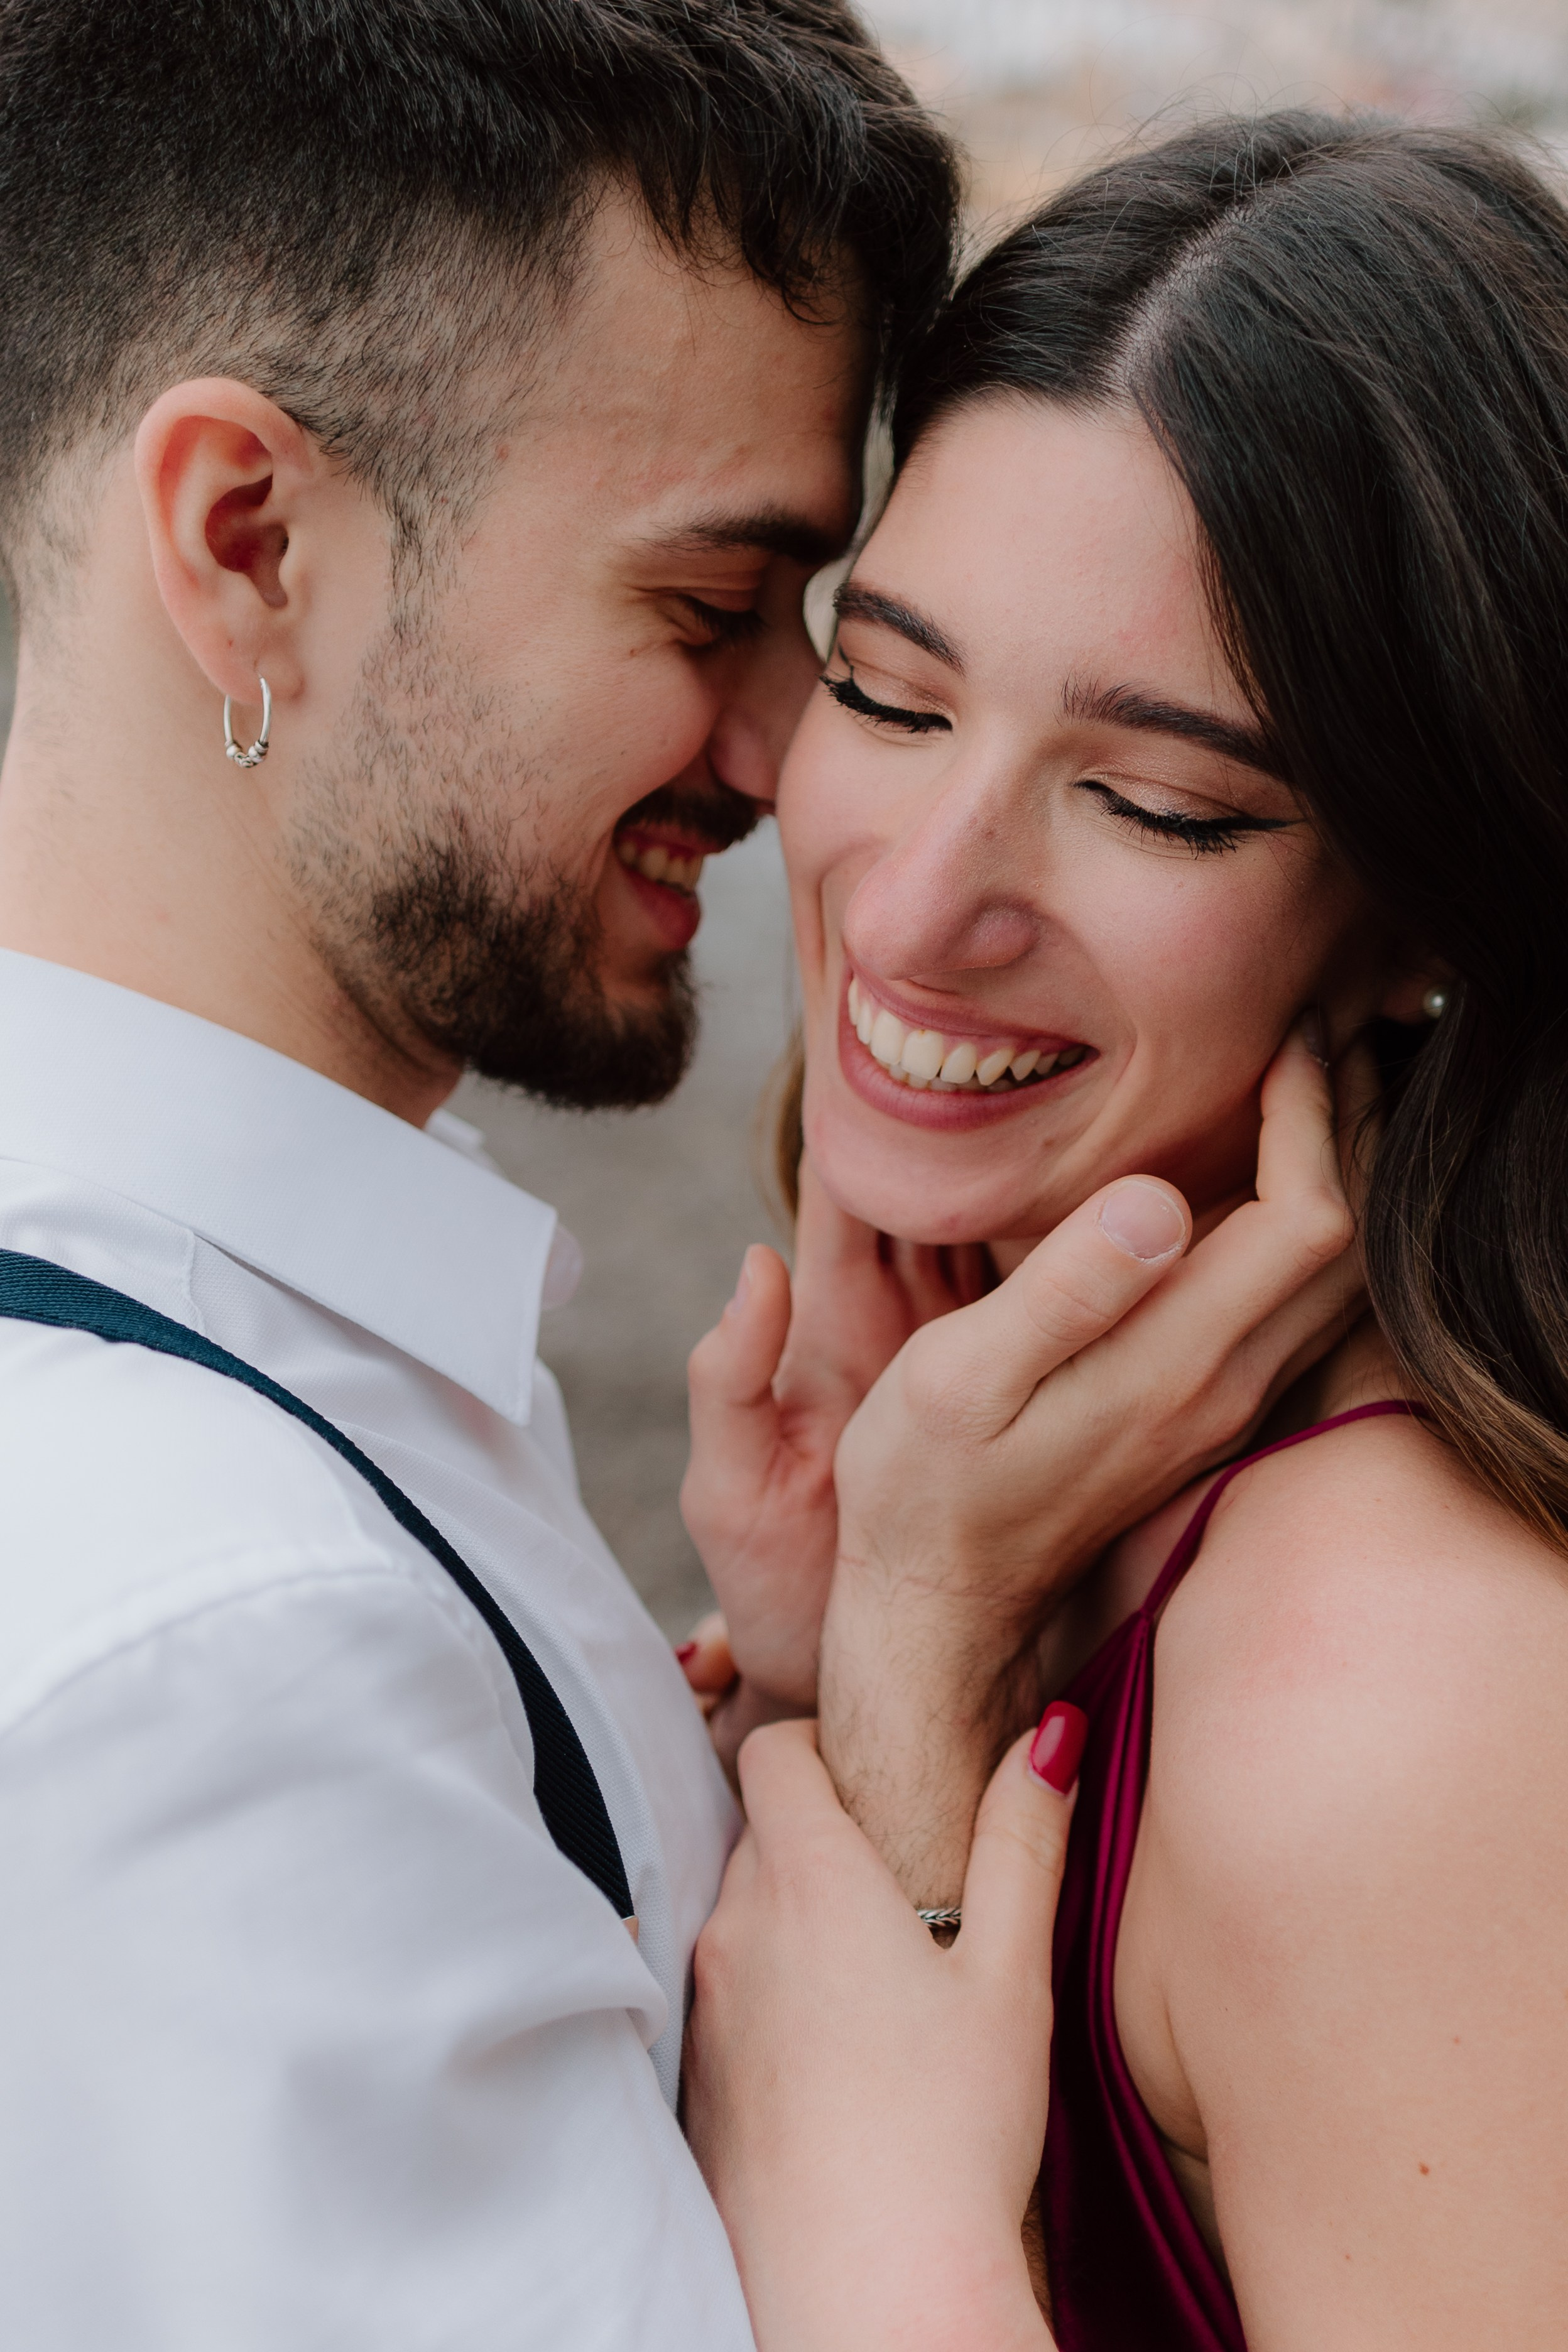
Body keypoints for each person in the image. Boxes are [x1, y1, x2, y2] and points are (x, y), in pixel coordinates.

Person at [0, 9, 1361, 2346]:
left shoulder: (250, 1398)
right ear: (252, 545)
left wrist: (826, 1692)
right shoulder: (213, 1649)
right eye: (714, 612)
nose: (784, 772)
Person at [682, 112, 1568, 2349]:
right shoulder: (1023, 1490)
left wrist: (879, 2251)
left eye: (1154, 801)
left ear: (1419, 922)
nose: (912, 895)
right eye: (887, 687)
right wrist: (865, 1650)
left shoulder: (1385, 1689)